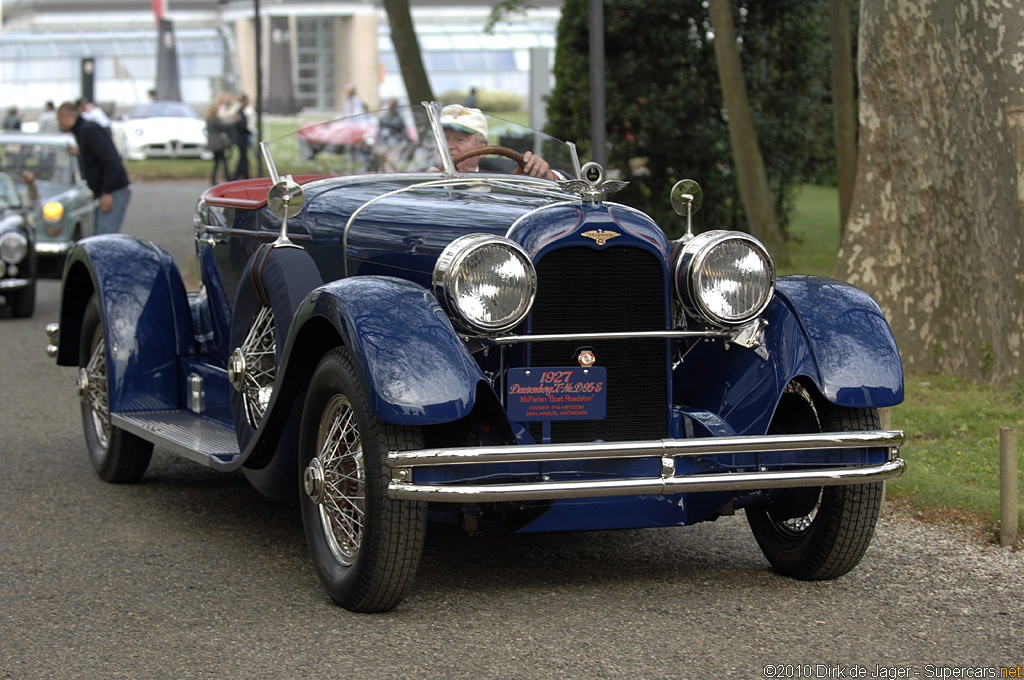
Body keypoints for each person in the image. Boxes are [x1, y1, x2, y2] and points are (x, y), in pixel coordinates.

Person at [57, 100, 130, 234]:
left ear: (65, 116)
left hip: (113, 190)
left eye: (59, 119)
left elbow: (110, 159)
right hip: (103, 190)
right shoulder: (82, 131)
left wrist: (107, 192)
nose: (58, 124)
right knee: (99, 233)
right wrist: (79, 153)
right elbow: (95, 154)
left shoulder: (89, 130)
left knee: (105, 235)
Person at [439, 104, 556, 180]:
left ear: (482, 146)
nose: (448, 146)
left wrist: (544, 173)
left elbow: (566, 181)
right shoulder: (425, 176)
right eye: (444, 138)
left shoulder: (505, 171)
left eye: (460, 139)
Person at [205, 93, 236, 185]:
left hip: (212, 142)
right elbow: (224, 126)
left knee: (217, 162)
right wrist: (234, 122)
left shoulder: (209, 118)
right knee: (223, 161)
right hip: (218, 143)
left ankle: (215, 179)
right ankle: (227, 178)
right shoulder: (214, 119)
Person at [231, 93, 252, 180]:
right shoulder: (239, 113)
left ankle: (243, 174)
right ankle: (238, 175)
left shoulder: (242, 112)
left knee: (243, 157)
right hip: (241, 139)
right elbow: (240, 126)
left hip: (242, 138)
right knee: (243, 157)